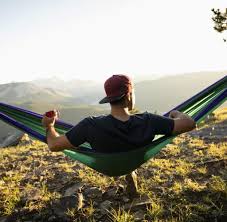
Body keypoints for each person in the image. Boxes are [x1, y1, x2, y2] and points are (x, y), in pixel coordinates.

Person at [42, 74, 196, 196]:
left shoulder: (90, 125)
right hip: (134, 160)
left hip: (108, 166)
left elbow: (54, 145)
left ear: (109, 99)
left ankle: (129, 173)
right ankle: (131, 172)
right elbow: (189, 123)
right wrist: (175, 113)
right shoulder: (149, 121)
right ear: (129, 95)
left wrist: (49, 126)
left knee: (118, 147)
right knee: (128, 151)